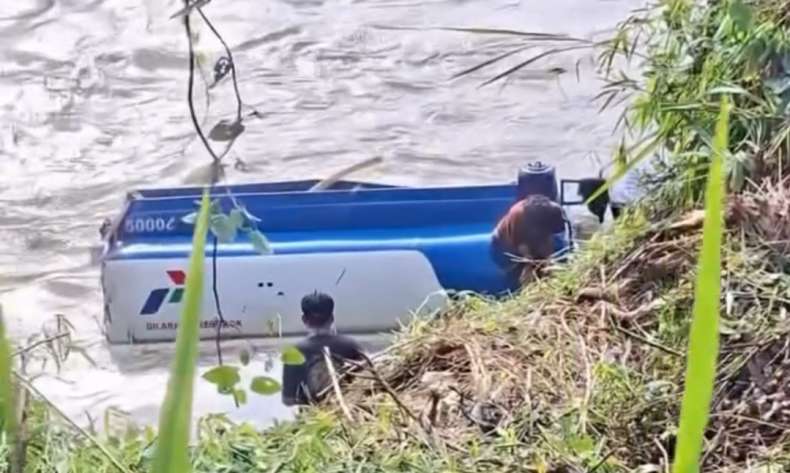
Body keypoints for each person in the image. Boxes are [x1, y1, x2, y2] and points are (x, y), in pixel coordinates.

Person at [281, 291, 365, 407]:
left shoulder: (295, 351)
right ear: (332, 318)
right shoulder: (351, 346)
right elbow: (366, 385)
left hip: (313, 419)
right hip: (348, 411)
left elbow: (288, 400)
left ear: (304, 319)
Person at [490, 193, 566, 287]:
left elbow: (549, 237)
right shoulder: (518, 217)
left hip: (534, 233)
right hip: (504, 243)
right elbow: (523, 250)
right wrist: (531, 264)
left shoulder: (553, 210)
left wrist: (549, 260)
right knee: (519, 274)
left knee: (549, 263)